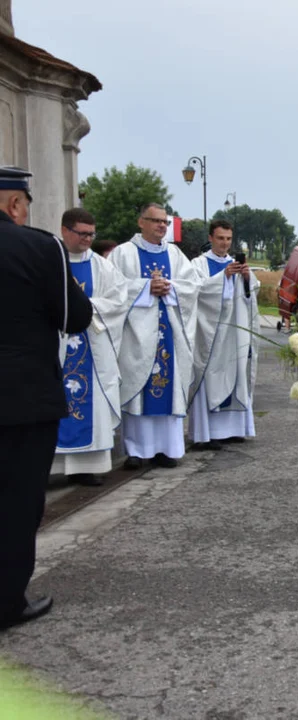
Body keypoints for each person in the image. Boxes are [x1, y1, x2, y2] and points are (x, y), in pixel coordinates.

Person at [0, 167, 93, 630]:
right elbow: (75, 318)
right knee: (17, 500)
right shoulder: (40, 247)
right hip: (22, 398)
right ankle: (7, 601)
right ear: (15, 204)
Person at [110, 203, 200, 469]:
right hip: (137, 335)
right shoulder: (123, 254)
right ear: (141, 222)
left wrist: (170, 287)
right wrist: (145, 287)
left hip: (168, 334)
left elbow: (191, 287)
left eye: (165, 222)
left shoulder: (174, 254)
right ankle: (136, 451)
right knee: (138, 387)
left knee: (168, 389)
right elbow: (114, 289)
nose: (162, 226)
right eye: (156, 221)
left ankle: (166, 449)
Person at [52, 208, 126, 486]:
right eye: (82, 234)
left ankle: (86, 467)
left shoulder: (102, 266)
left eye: (91, 234)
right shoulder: (51, 261)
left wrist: (85, 307)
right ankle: (54, 468)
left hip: (91, 345)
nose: (87, 239)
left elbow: (118, 302)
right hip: (56, 346)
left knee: (91, 402)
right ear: (65, 230)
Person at [189, 220, 260, 450]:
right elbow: (196, 291)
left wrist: (247, 278)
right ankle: (208, 433)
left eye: (229, 239)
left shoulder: (235, 263)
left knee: (238, 375)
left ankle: (234, 429)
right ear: (211, 238)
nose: (225, 243)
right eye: (220, 238)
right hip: (211, 335)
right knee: (211, 377)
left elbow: (252, 296)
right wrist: (224, 277)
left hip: (235, 334)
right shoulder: (198, 264)